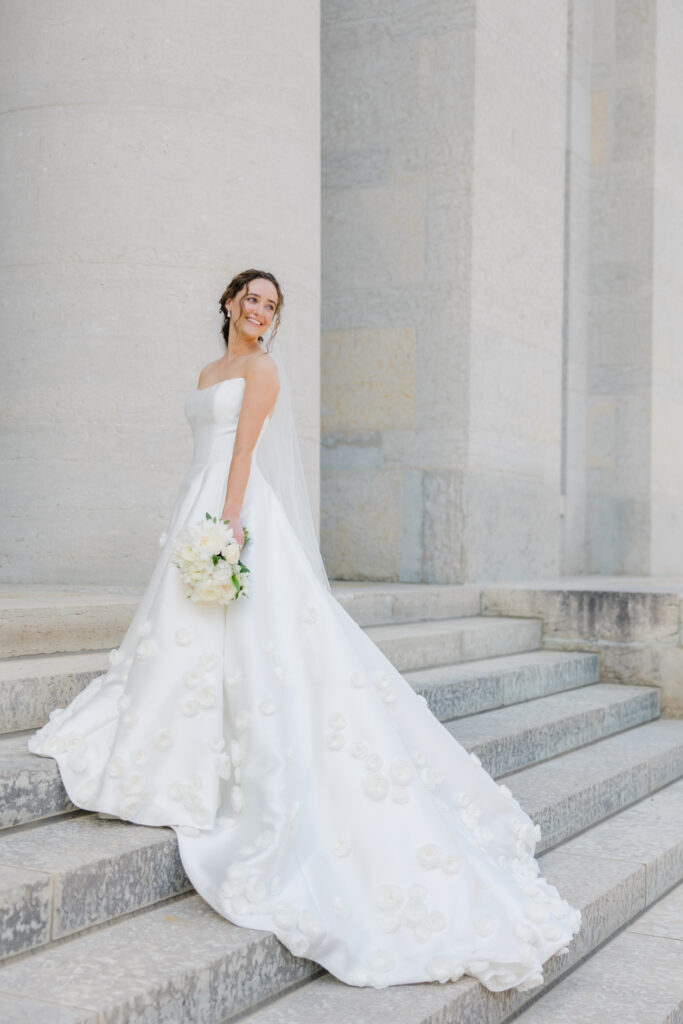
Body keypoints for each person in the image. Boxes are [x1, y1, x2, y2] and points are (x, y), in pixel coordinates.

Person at [28, 268, 581, 992]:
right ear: (229, 303)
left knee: (251, 641)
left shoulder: (261, 370)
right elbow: (206, 449)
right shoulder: (209, 370)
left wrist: (226, 529)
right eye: (251, 300)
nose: (259, 312)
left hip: (232, 507)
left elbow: (242, 452)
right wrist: (195, 516)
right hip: (198, 498)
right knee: (185, 637)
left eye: (271, 306)